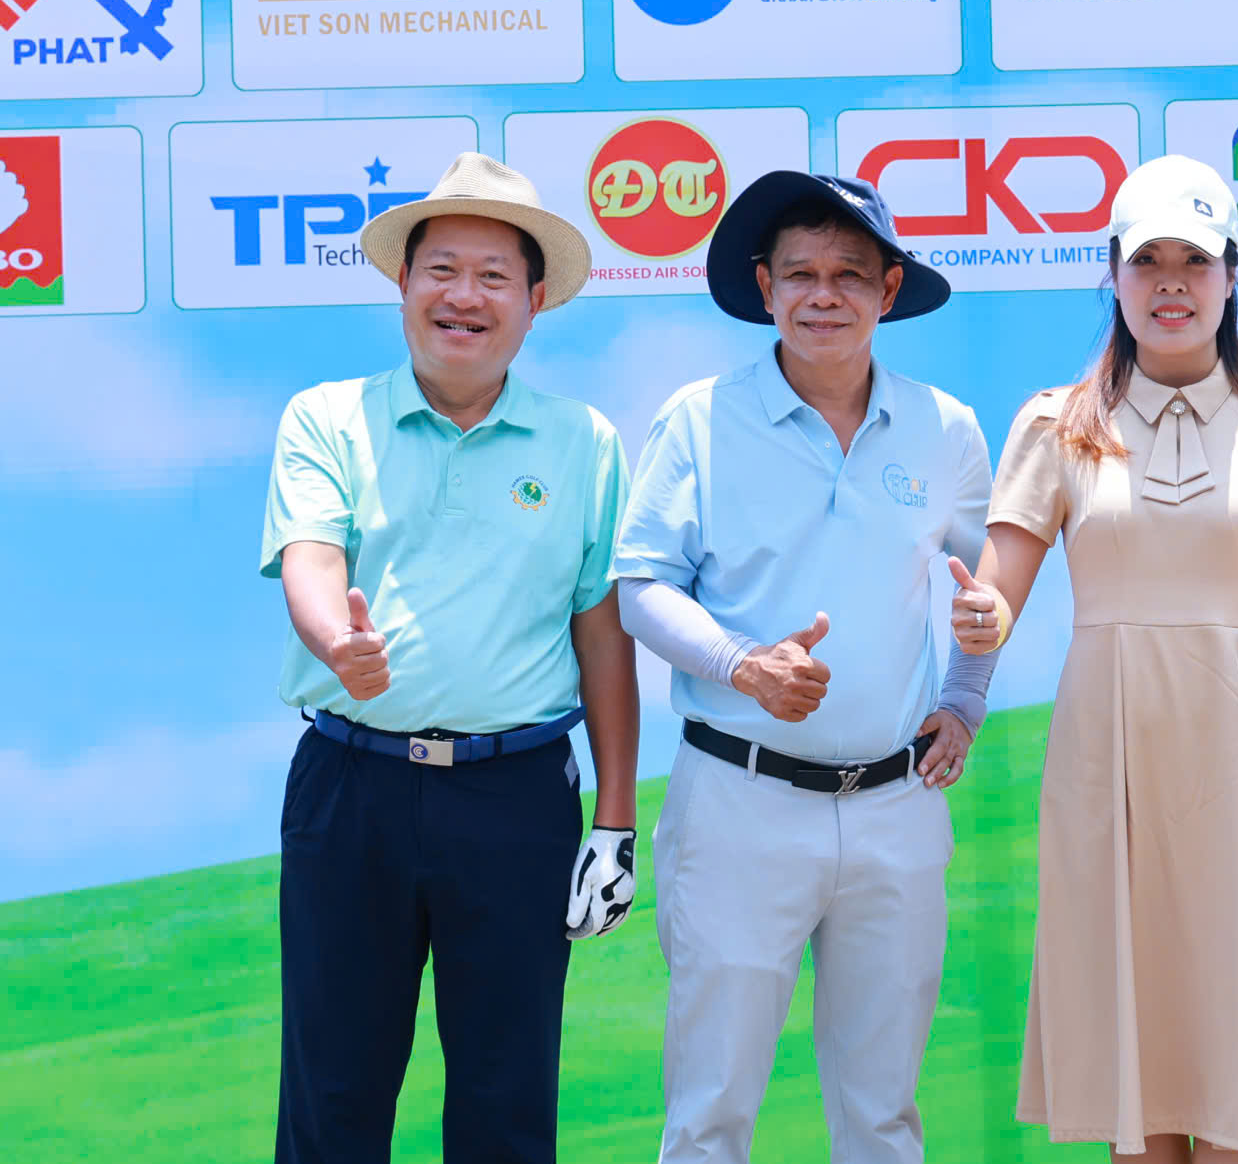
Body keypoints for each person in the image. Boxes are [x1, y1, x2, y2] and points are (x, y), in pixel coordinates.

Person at [949, 154, 1238, 1163]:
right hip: (1110, 753)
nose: (1172, 283)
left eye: (1196, 259)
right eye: (1148, 260)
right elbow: (997, 596)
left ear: (1233, 275)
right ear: (1113, 273)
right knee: (1130, 1061)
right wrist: (978, 617)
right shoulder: (1055, 423)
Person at [259, 151, 639, 1164]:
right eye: (442, 269)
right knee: (333, 1093)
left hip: (517, 795)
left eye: (493, 276)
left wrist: (614, 821)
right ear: (403, 281)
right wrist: (337, 640)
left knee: (505, 1099)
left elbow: (601, 633)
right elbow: (310, 556)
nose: (463, 296)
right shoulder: (327, 416)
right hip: (352, 785)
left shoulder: (584, 440)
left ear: (535, 300)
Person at [613, 170, 995, 1164]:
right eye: (801, 275)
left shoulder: (947, 428)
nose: (824, 295)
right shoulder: (698, 418)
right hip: (738, 801)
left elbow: (985, 586)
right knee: (709, 1112)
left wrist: (964, 697)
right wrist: (744, 664)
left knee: (883, 1114)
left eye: (849, 274)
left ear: (889, 289)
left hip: (897, 805)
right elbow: (641, 586)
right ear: (765, 286)